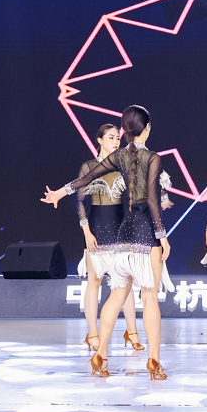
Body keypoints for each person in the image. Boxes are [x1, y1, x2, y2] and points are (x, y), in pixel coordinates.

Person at [43, 105, 171, 379]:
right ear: (147, 128)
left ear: (125, 130)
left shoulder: (119, 156)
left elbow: (85, 179)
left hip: (124, 232)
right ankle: (154, 361)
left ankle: (100, 354)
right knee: (149, 297)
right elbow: (151, 200)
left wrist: (59, 194)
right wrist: (162, 235)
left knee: (116, 295)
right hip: (146, 232)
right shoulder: (153, 158)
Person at [77, 122, 166, 355]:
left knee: (123, 283)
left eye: (118, 137)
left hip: (122, 227)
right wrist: (86, 231)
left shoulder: (124, 165)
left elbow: (149, 187)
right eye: (110, 137)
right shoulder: (89, 166)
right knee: (95, 281)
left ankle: (132, 332)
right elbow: (80, 201)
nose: (116, 141)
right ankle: (93, 334)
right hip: (96, 228)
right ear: (99, 140)